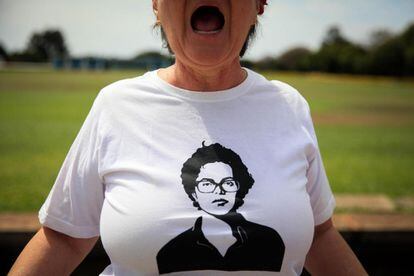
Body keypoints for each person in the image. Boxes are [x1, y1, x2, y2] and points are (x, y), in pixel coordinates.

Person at [10, 0, 367, 275]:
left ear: (259, 4)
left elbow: (319, 235)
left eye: (227, 183)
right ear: (155, 4)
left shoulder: (290, 107)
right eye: (208, 185)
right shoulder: (115, 106)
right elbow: (64, 239)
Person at [156, 142, 285, 274]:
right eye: (207, 184)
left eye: (228, 183)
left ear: (239, 188)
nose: (219, 191)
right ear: (194, 193)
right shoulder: (172, 250)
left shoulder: (269, 240)